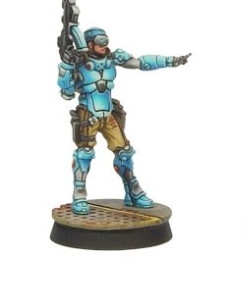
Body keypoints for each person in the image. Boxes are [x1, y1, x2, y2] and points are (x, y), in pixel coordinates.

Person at [58, 25, 190, 214]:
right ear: (89, 44)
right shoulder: (79, 63)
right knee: (84, 154)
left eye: (105, 41)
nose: (104, 45)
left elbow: (140, 63)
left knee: (124, 153)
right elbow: (66, 93)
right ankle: (79, 196)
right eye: (100, 42)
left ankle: (133, 192)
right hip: (88, 114)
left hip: (108, 113)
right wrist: (67, 65)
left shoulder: (112, 58)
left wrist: (170, 61)